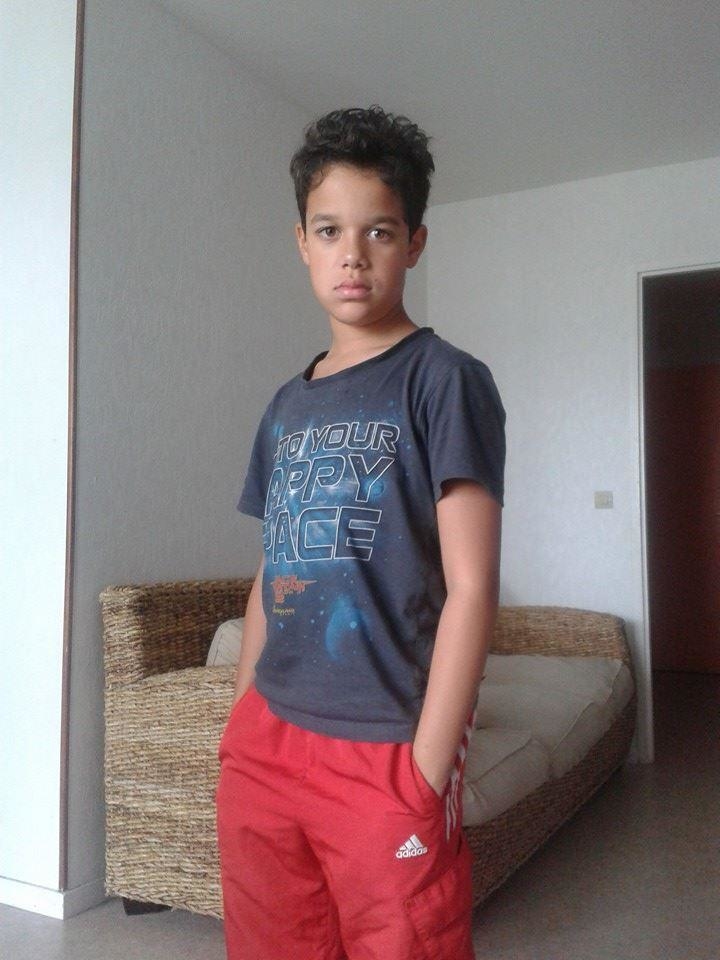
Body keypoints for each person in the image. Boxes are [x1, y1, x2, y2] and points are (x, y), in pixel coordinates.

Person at [216, 105, 505, 960]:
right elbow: (273, 566)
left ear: (414, 242)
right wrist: (240, 722)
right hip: (267, 742)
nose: (353, 254)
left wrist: (424, 769)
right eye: (329, 230)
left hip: (385, 745)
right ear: (301, 243)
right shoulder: (285, 404)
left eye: (378, 230)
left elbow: (473, 586)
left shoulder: (444, 381)